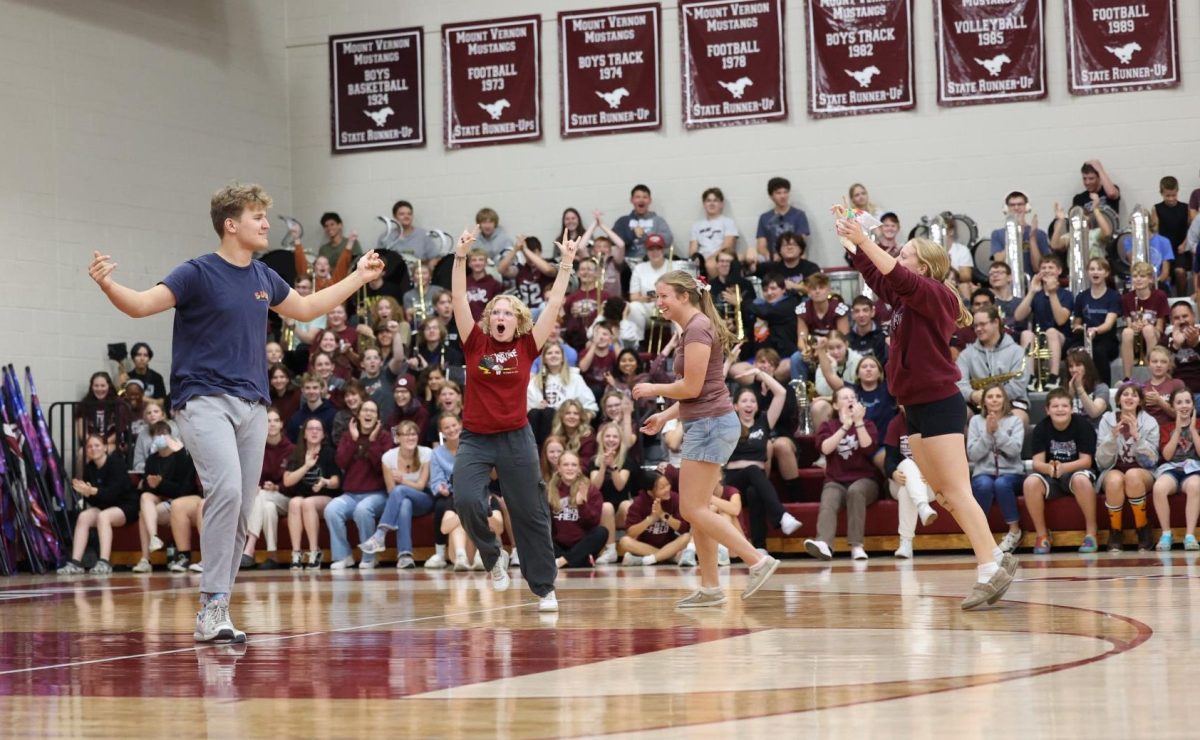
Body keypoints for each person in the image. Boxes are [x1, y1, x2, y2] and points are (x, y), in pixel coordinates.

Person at [87, 183, 385, 642]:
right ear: (231, 224)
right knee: (225, 488)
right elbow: (143, 305)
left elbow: (305, 309)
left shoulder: (264, 277)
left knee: (244, 506)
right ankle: (212, 606)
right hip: (203, 399)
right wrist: (108, 284)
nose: (266, 224)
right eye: (257, 216)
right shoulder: (197, 273)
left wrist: (358, 279)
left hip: (252, 404)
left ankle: (218, 607)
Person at [836, 213, 1018, 609]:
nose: (899, 258)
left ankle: (989, 567)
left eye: (905, 254)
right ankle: (996, 556)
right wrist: (852, 241)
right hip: (913, 407)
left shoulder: (936, 293)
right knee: (942, 493)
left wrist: (866, 242)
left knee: (956, 490)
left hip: (938, 401)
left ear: (925, 266)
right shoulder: (904, 298)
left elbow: (896, 277)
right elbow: (879, 277)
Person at [449, 225, 579, 612]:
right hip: (475, 437)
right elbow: (458, 297)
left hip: (516, 437)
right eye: (496, 312)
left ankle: (544, 587)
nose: (501, 316)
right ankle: (493, 557)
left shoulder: (527, 344)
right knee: (467, 499)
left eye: (508, 312)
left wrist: (567, 263)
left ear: (517, 319)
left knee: (531, 511)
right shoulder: (475, 342)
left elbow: (554, 303)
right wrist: (460, 257)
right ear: (488, 320)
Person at [633, 269, 779, 608]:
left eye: (664, 295)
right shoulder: (692, 328)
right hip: (706, 420)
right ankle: (711, 587)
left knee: (693, 508)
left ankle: (757, 560)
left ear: (684, 296)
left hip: (711, 424)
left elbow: (692, 388)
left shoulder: (697, 328)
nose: (659, 302)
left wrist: (654, 389)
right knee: (696, 509)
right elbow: (702, 389)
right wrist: (666, 415)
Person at [725, 377, 802, 554]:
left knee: (755, 493)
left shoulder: (764, 423)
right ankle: (781, 515)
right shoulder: (729, 424)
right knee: (753, 470)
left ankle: (760, 547)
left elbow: (781, 393)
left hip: (755, 482)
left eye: (752, 401)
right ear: (735, 406)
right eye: (744, 401)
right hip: (733, 482)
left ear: (757, 406)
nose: (749, 404)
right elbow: (715, 392)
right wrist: (728, 364)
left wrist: (760, 373)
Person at [803, 386, 879, 561]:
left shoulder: (867, 424)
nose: (850, 400)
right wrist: (845, 426)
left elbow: (868, 449)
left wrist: (858, 422)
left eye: (853, 397)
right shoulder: (828, 426)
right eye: (845, 398)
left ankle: (857, 546)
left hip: (865, 480)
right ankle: (824, 544)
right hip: (836, 479)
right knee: (829, 498)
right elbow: (825, 448)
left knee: (855, 491)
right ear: (836, 405)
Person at [1023, 388, 1099, 554]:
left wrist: (1063, 468)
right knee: (1030, 482)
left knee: (1080, 479)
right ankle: (1042, 535)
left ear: (1071, 409)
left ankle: (1091, 533)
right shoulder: (1041, 428)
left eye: (1064, 406)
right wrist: (1051, 468)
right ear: (1047, 410)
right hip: (1052, 474)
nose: (1060, 409)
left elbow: (1087, 461)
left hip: (1077, 471)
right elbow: (1037, 463)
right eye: (1055, 406)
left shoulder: (1082, 426)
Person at [58, 434, 138, 576]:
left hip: (126, 506)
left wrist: (92, 491)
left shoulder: (116, 463)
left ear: (105, 448)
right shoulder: (89, 468)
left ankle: (104, 561)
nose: (93, 449)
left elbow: (113, 493)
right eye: (89, 446)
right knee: (84, 516)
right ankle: (76, 563)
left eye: (97, 445)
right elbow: (97, 500)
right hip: (106, 506)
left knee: (103, 516)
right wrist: (87, 494)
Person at [325, 400, 391, 570]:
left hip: (378, 494)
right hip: (351, 494)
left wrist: (372, 440)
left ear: (377, 417)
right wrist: (354, 440)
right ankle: (343, 556)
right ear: (358, 415)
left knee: (363, 510)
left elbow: (380, 466)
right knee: (331, 509)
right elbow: (341, 462)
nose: (368, 414)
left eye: (372, 411)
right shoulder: (348, 436)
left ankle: (370, 557)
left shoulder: (384, 437)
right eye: (365, 410)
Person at [359, 420, 434, 568]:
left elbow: (420, 486)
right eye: (406, 434)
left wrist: (403, 480)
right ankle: (405, 556)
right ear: (397, 438)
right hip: (400, 500)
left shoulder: (427, 453)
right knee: (404, 503)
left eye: (413, 434)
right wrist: (401, 485)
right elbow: (390, 490)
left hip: (424, 499)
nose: (410, 437)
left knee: (400, 491)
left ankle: (380, 534)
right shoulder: (388, 457)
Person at [1096, 383, 1158, 552]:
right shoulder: (1107, 420)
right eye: (1125, 394)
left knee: (1131, 475)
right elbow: (1102, 463)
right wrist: (1111, 438)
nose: (1129, 397)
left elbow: (1151, 462)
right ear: (1118, 399)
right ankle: (1115, 532)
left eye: (1134, 395)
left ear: (1140, 401)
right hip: (1112, 470)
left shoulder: (1149, 422)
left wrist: (1137, 437)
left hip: (1142, 471)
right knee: (1115, 480)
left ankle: (1143, 528)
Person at [131, 422, 198, 573]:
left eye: (163, 434)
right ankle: (152, 543)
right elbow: (149, 489)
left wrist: (162, 483)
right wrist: (152, 485)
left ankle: (146, 558)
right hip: (160, 502)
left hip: (177, 501)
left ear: (170, 436)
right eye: (156, 435)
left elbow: (183, 490)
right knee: (146, 497)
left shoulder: (181, 457)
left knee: (144, 514)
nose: (160, 438)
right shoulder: (152, 460)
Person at [967, 384, 1026, 553]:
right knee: (983, 485)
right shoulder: (975, 421)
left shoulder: (1015, 421)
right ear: (984, 401)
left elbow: (1015, 450)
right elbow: (973, 454)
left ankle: (1015, 531)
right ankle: (981, 534)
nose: (994, 399)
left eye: (998, 396)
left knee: (1001, 484)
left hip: (1011, 473)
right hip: (983, 472)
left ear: (1005, 400)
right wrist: (987, 434)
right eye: (990, 396)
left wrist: (997, 432)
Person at [955, 306, 1030, 427]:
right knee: (957, 414)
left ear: (996, 322)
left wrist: (993, 397)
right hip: (977, 403)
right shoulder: (966, 354)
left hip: (1011, 402)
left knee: (1018, 419)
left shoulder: (1017, 351)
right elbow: (959, 383)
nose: (978, 329)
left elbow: (1019, 384)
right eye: (975, 326)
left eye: (983, 324)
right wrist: (972, 395)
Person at [239, 408, 294, 570]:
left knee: (261, 495)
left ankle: (250, 546)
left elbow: (294, 483)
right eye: (268, 421)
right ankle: (273, 556)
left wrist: (278, 486)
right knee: (267, 507)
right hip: (266, 499)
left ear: (281, 424)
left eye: (276, 420)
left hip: (287, 498)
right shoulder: (258, 448)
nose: (272, 424)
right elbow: (254, 474)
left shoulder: (291, 449)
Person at [284, 418, 341, 569]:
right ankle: (296, 553)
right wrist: (306, 466)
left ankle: (315, 551)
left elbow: (336, 481)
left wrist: (325, 482)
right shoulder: (297, 452)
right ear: (304, 434)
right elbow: (287, 481)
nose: (314, 432)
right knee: (294, 503)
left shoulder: (329, 453)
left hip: (326, 498)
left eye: (318, 429)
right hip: (303, 497)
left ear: (323, 435)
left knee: (307, 503)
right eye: (310, 429)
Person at [884, 413, 939, 559]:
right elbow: (889, 459)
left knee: (906, 492)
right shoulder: (895, 423)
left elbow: (941, 457)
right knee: (908, 463)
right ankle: (923, 506)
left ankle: (906, 543)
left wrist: (930, 473)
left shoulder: (931, 421)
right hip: (899, 480)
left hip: (930, 484)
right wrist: (893, 473)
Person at [1012, 255, 1072, 388]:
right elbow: (1018, 316)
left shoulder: (1066, 295)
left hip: (1060, 337)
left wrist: (1052, 293)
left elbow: (1061, 320)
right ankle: (1029, 378)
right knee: (1026, 334)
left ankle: (1054, 377)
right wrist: (1032, 291)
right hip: (1039, 338)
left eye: (1051, 267)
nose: (1047, 270)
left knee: (1051, 331)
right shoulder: (1036, 294)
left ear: (1059, 271)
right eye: (1043, 267)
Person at [1151, 388, 1200, 551]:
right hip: (1172, 468)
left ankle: (1190, 535)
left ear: (1193, 404)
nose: (1184, 406)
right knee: (1159, 488)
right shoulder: (1167, 427)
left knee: (1195, 486)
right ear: (1173, 406)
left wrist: (1193, 430)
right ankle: (1166, 534)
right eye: (1179, 402)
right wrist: (1178, 430)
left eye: (1187, 401)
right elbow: (1167, 455)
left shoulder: (1198, 424)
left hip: (1194, 468)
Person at [619, 471, 693, 566]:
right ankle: (669, 557)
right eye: (662, 488)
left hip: (669, 544)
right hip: (646, 547)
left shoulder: (674, 498)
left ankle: (649, 560)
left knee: (686, 537)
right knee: (624, 541)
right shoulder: (639, 503)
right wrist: (651, 519)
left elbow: (684, 528)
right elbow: (630, 532)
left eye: (668, 485)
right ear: (650, 492)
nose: (667, 489)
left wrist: (663, 515)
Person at [1071, 257, 1121, 385]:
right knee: (1071, 350)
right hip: (1086, 337)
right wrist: (1080, 328)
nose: (1095, 272)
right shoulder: (1082, 297)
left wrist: (1095, 330)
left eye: (1099, 269)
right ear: (1088, 272)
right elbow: (1077, 322)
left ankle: (1104, 387)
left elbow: (1108, 325)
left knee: (1099, 351)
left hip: (1106, 339)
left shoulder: (1113, 296)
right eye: (1092, 269)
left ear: (1107, 273)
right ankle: (1073, 386)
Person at [423, 413, 463, 569]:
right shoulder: (437, 453)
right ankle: (440, 553)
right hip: (449, 493)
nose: (452, 430)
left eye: (454, 425)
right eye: (447, 427)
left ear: (460, 425)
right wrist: (441, 487)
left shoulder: (471, 447)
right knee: (441, 505)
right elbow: (437, 479)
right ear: (441, 431)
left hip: (468, 491)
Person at [1120, 262, 1169, 380]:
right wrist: (1134, 326)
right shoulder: (1126, 298)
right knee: (1126, 332)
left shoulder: (1160, 296)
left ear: (1151, 280)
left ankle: (1153, 376)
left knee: (1148, 329)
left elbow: (1160, 328)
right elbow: (1128, 322)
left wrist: (1148, 325)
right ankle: (1127, 377)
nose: (1138, 279)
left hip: (1153, 334)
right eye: (1135, 276)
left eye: (1142, 276)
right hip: (1135, 338)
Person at [753, 177, 811, 270]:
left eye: (785, 192)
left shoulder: (799, 215)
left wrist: (785, 255)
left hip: (794, 258)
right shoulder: (764, 218)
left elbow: (801, 242)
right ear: (771, 196)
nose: (783, 196)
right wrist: (770, 256)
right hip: (774, 261)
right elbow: (761, 246)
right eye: (778, 193)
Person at [989, 191, 1050, 276]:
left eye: (1020, 204)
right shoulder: (997, 234)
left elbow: (1037, 268)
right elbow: (999, 263)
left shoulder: (1039, 234)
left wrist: (1032, 238)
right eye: (1012, 205)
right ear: (1006, 208)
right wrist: (1017, 234)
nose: (1016, 208)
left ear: (1027, 207)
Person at [613, 184, 674, 259]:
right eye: (637, 197)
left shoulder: (658, 220)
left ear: (650, 200)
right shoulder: (623, 221)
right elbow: (613, 242)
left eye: (645, 197)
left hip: (651, 261)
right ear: (631, 200)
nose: (641, 200)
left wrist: (646, 237)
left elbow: (668, 240)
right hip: (627, 263)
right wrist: (632, 234)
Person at [689, 187, 739, 277]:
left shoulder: (728, 222)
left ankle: (716, 290)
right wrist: (696, 258)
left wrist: (711, 258)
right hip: (702, 259)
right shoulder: (696, 226)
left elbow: (727, 246)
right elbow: (693, 250)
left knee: (710, 264)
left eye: (715, 200)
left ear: (721, 204)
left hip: (720, 256)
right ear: (704, 204)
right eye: (708, 201)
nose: (711, 203)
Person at [1156, 177, 1191, 295]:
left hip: (1180, 248)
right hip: (1164, 250)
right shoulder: (1157, 209)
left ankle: (1181, 297)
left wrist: (1185, 243)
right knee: (1164, 276)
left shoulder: (1185, 208)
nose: (1171, 199)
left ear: (1177, 192)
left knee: (1180, 272)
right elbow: (1155, 231)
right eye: (1167, 196)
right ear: (1161, 193)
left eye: (1174, 195)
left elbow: (1192, 230)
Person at [1063, 348, 1109, 429]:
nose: (1074, 370)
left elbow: (1094, 413)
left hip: (1096, 431)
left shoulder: (1101, 388)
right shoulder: (1065, 389)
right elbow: (1062, 417)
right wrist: (1070, 395)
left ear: (1087, 366)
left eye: (1078, 365)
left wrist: (1080, 388)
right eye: (1070, 366)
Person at [286, 373, 337, 442]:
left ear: (321, 389)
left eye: (315, 388)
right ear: (302, 390)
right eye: (307, 388)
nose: (311, 391)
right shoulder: (296, 418)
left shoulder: (333, 415)